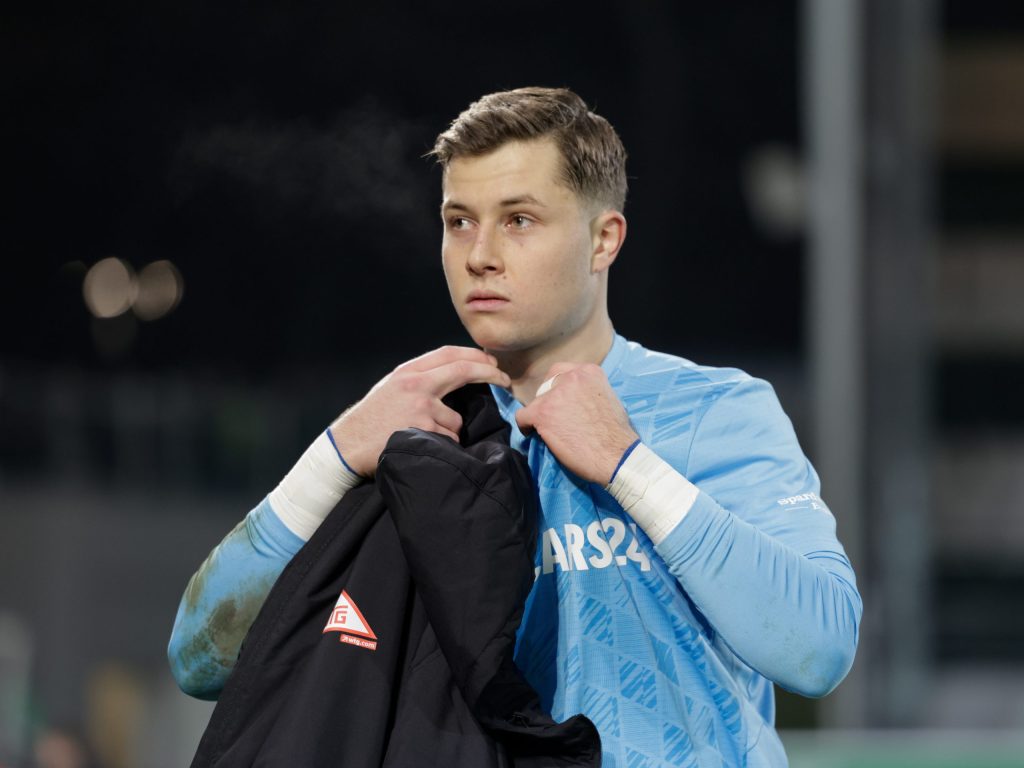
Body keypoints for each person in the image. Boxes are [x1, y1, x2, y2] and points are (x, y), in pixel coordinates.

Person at [168, 87, 861, 766]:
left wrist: (627, 464)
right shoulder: (415, 437)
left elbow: (820, 648)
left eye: (519, 220)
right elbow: (201, 660)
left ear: (603, 240)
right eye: (459, 222)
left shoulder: (712, 410)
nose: (480, 254)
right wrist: (336, 453)